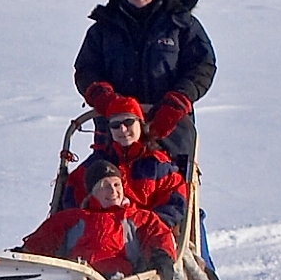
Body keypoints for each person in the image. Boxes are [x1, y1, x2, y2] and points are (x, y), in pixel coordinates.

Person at [74, 0, 214, 170]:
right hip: (117, 129)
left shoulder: (180, 23)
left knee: (169, 187)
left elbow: (202, 66)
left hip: (169, 127)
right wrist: (105, 99)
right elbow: (86, 69)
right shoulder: (104, 27)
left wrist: (178, 101)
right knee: (110, 190)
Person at [20, 157, 179, 278]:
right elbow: (43, 240)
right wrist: (22, 255)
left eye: (117, 185)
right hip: (75, 277)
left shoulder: (139, 217)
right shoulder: (72, 218)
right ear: (92, 192)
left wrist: (161, 258)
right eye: (105, 186)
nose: (113, 191)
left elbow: (159, 236)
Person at [59, 88, 190, 226]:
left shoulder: (158, 166)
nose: (122, 129)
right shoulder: (96, 164)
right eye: (115, 125)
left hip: (145, 235)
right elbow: (73, 197)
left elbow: (174, 202)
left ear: (140, 124)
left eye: (129, 122)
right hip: (98, 233)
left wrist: (147, 226)